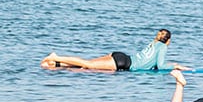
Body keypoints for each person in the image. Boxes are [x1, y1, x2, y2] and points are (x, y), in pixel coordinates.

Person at [41, 29, 179, 71]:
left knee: (86, 66)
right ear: (168, 40)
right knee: (88, 65)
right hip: (122, 64)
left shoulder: (153, 43)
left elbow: (150, 62)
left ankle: (56, 65)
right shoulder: (162, 47)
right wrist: (175, 66)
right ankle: (55, 57)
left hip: (121, 57)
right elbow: (160, 65)